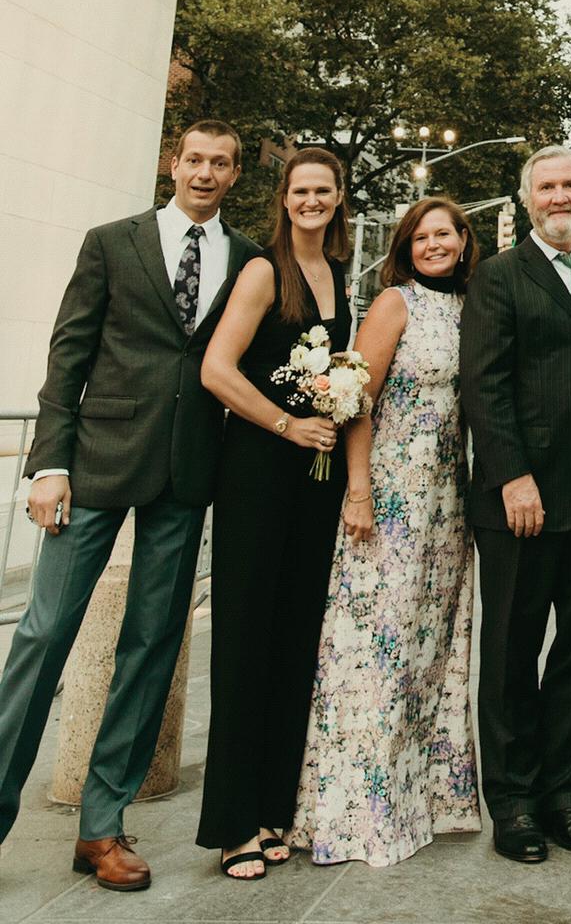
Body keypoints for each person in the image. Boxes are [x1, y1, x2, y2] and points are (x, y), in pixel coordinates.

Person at [0, 123, 256, 892]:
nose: (205, 173)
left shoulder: (246, 259)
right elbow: (68, 352)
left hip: (187, 471)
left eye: (220, 163)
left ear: (234, 175)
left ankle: (102, 827)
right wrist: (48, 465)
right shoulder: (112, 241)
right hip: (97, 463)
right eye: (195, 160)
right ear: (172, 164)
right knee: (43, 635)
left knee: (151, 646)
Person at [459, 146, 571, 866]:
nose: (559, 197)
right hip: (522, 500)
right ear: (528, 199)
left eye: (570, 185)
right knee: (509, 653)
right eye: (547, 187)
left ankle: (566, 797)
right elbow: (484, 383)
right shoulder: (499, 277)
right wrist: (510, 477)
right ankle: (515, 804)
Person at [291, 195, 481, 866]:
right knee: (378, 648)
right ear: (406, 245)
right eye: (422, 236)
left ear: (463, 242)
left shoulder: (470, 306)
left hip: (447, 503)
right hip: (393, 496)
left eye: (445, 234)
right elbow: (356, 398)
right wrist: (361, 490)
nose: (434, 244)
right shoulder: (393, 304)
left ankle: (424, 795)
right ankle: (357, 810)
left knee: (430, 650)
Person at [195, 148, 352, 879]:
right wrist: (288, 427)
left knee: (296, 640)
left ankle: (272, 809)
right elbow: (217, 369)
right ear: (283, 199)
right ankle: (231, 824)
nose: (312, 200)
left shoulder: (338, 274)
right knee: (246, 639)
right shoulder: (264, 270)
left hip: (317, 479)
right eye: (301, 190)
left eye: (324, 190)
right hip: (260, 470)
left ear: (340, 198)